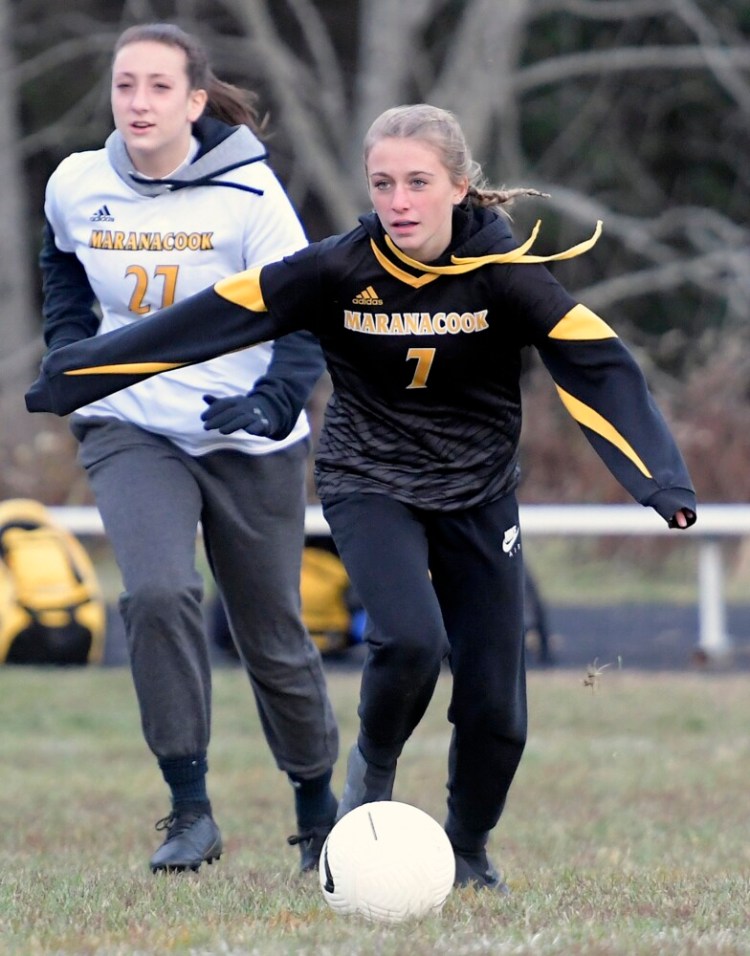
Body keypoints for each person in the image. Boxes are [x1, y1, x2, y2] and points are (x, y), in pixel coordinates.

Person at [27, 103, 697, 891]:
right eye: (383, 184)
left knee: (496, 709)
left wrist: (662, 481)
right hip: (366, 477)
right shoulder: (337, 267)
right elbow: (210, 319)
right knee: (411, 640)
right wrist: (81, 369)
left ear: (457, 187)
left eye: (417, 183)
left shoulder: (509, 276)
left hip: (476, 492)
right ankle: (371, 772)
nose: (399, 201)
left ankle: (470, 849)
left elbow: (599, 364)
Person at [34, 22, 339, 875]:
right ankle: (190, 810)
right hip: (129, 424)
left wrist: (274, 400)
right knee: (159, 595)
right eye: (125, 85)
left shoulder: (251, 194)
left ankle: (319, 809)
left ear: (196, 102)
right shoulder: (76, 183)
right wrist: (71, 349)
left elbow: (306, 310)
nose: (138, 102)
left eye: (159, 87)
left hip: (248, 435)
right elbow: (62, 262)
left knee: (271, 634)